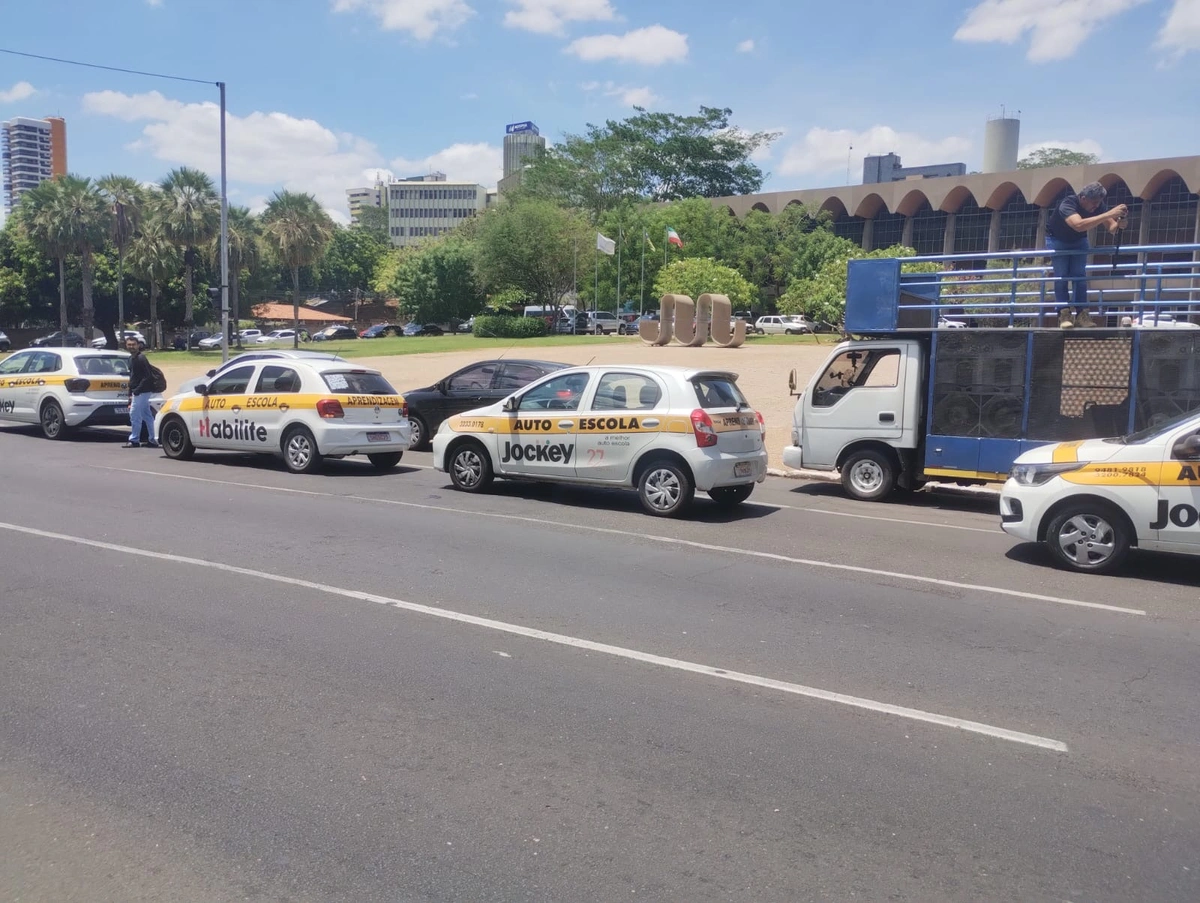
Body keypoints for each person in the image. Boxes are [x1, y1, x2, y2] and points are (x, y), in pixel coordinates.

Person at [1045, 181, 1128, 328]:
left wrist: (1120, 223)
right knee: (1061, 276)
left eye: (1099, 203)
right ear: (1083, 198)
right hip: (1058, 241)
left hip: (1079, 240)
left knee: (1080, 277)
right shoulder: (1068, 203)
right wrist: (1109, 214)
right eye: (1094, 202)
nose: (1096, 206)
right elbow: (1078, 225)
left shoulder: (1099, 207)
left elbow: (1112, 228)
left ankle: (1082, 314)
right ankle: (1064, 314)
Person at [125, 337, 158, 448]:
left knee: (134, 414)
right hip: (137, 391)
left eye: (133, 344)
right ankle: (153, 439)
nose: (131, 347)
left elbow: (147, 376)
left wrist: (137, 390)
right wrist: (130, 392)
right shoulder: (131, 358)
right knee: (147, 415)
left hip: (142, 391)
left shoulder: (141, 358)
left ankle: (134, 440)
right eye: (129, 344)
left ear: (138, 345)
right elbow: (132, 376)